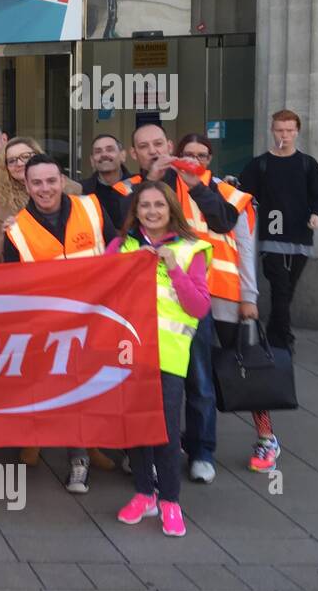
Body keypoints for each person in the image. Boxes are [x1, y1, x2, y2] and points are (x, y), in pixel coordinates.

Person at [114, 124, 240, 483]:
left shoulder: (198, 180)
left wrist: (195, 183)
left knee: (199, 381)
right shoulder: (128, 188)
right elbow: (120, 226)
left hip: (188, 303)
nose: (153, 150)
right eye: (143, 147)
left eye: (158, 144)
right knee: (143, 386)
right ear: (135, 154)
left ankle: (201, 451)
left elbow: (224, 220)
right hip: (140, 310)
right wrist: (147, 183)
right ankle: (145, 454)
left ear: (169, 145)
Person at [3, 154, 119, 489]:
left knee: (95, 388)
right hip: (51, 326)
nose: (44, 188)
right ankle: (78, 458)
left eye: (51, 180)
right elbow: (13, 284)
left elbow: (116, 249)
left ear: (62, 180)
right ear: (26, 185)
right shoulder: (17, 229)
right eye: (36, 182)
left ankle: (91, 446)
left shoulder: (92, 208)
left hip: (98, 316)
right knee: (67, 390)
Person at [108, 182, 212, 538]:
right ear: (135, 212)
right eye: (144, 206)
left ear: (171, 210)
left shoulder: (191, 249)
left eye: (159, 205)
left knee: (165, 433)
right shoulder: (121, 246)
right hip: (129, 354)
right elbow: (100, 292)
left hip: (168, 356)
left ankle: (170, 501)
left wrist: (174, 270)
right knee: (135, 429)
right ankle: (143, 493)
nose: (151, 212)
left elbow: (198, 306)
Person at [177, 134, 284, 476]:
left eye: (202, 155)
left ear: (210, 159)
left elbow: (246, 247)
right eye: (189, 154)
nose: (195, 160)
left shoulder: (230, 194)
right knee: (197, 373)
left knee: (248, 366)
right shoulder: (169, 191)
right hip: (187, 298)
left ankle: (266, 437)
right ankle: (195, 437)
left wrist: (249, 298)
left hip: (226, 295)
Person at [238, 109, 318, 354]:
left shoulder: (307, 164)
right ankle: (284, 340)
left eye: (289, 130)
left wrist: (317, 215)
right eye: (280, 130)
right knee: (280, 286)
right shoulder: (260, 164)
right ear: (272, 131)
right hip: (270, 237)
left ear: (297, 132)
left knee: (288, 288)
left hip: (300, 236)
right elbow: (243, 195)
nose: (284, 135)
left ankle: (276, 334)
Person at [0, 136, 81, 264]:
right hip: (31, 277)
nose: (19, 163)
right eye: (12, 161)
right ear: (5, 167)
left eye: (25, 156)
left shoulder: (71, 190)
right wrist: (7, 234)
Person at [81, 133, 130, 227]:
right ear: (92, 160)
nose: (104, 154)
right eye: (98, 151)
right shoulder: (82, 191)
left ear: (122, 155)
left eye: (110, 150)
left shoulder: (138, 186)